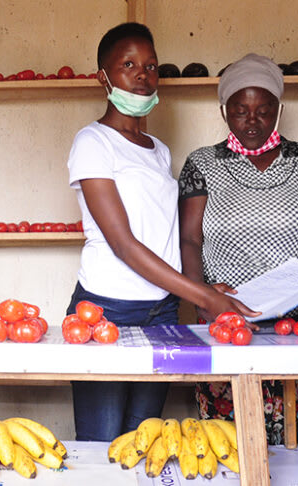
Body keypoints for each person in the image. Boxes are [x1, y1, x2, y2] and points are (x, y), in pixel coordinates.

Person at [66, 24, 258, 442]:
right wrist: (203, 296)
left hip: (162, 313)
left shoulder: (159, 150)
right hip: (106, 311)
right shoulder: (92, 142)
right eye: (128, 64)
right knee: (103, 448)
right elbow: (123, 244)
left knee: (143, 443)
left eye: (150, 66)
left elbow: (164, 235)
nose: (142, 74)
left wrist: (199, 287)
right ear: (104, 76)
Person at [178, 53, 298, 445]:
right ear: (224, 111)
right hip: (227, 320)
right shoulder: (203, 163)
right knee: (231, 447)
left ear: (280, 108)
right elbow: (190, 239)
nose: (252, 120)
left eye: (264, 109)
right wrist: (200, 295)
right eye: (241, 110)